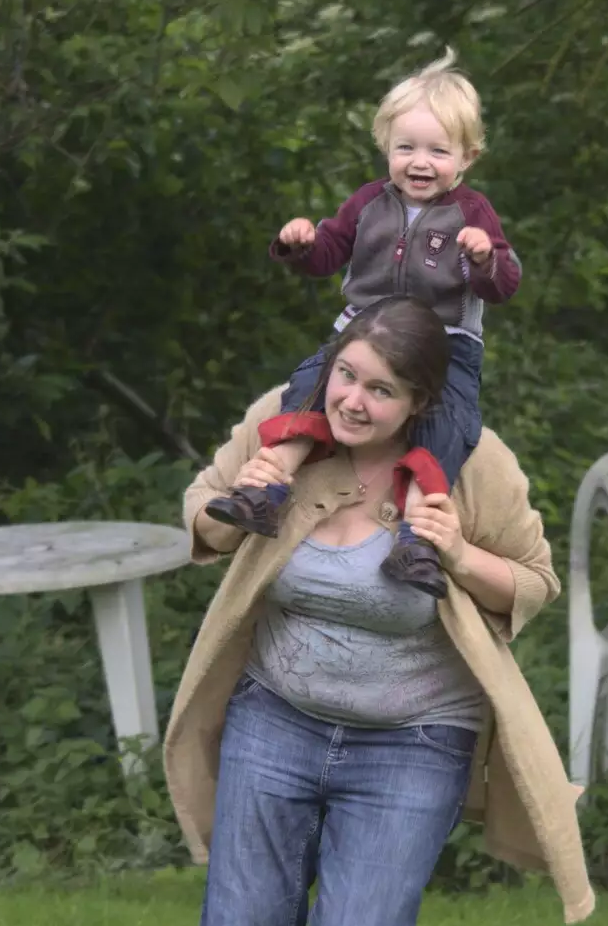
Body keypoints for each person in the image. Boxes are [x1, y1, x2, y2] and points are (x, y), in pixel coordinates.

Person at [163, 298, 594, 926]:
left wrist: (457, 554)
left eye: (381, 390)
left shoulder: (473, 464)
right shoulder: (285, 422)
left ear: (421, 399)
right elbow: (204, 506)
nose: (353, 401)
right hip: (275, 719)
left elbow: (536, 581)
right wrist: (235, 506)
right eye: (346, 376)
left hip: (411, 740)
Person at [204, 50, 521, 601]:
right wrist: (299, 244)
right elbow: (328, 254)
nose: (420, 162)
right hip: (363, 332)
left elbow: (504, 285)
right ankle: (270, 484)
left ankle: (418, 535)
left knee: (448, 421)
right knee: (310, 385)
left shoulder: (472, 215)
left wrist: (485, 260)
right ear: (387, 148)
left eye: (437, 151)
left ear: (466, 158)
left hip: (442, 344)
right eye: (406, 148)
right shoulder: (369, 204)